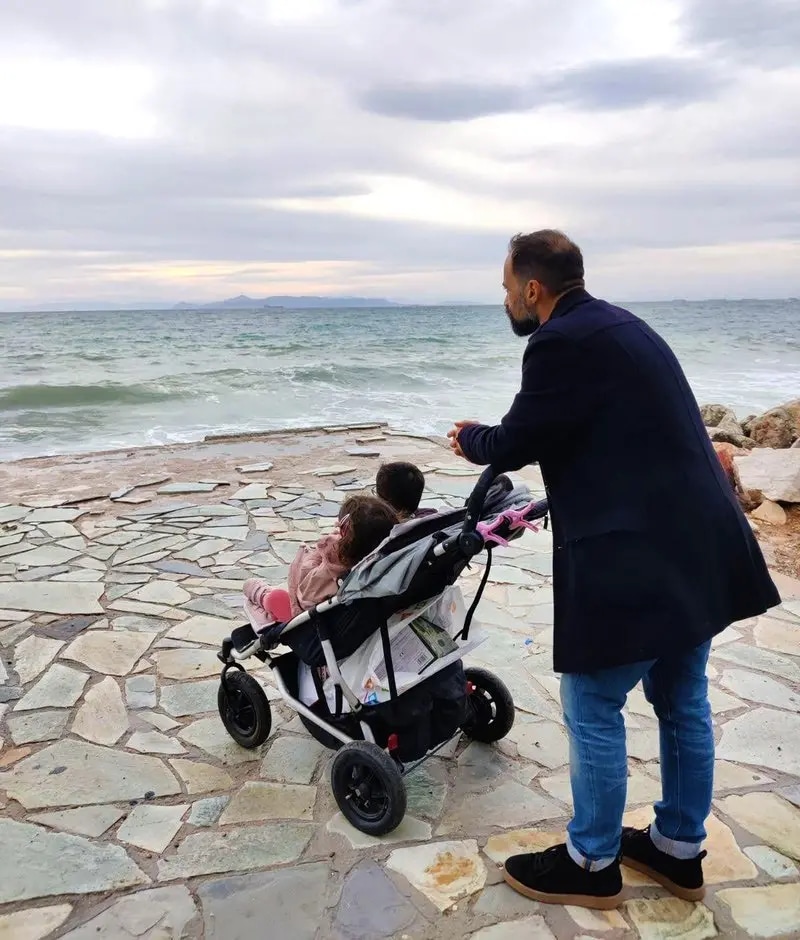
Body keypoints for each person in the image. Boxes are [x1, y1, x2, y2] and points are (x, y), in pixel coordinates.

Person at [447, 230, 780, 910]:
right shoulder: (626, 326)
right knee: (682, 697)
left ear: (532, 289)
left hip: (642, 553)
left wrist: (468, 439)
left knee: (594, 703)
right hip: (699, 544)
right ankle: (677, 850)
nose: (505, 298)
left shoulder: (560, 342)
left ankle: (590, 861)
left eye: (507, 286)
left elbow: (521, 439)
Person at [244, 494, 398, 629]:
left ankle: (263, 597)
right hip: (352, 622)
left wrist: (325, 552)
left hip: (310, 625)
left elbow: (304, 599)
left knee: (269, 594)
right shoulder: (384, 565)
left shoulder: (334, 572)